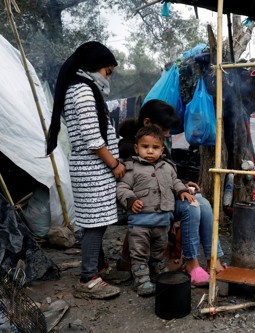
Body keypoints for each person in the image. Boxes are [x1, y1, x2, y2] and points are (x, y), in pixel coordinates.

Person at [117, 99, 225, 286]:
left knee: (204, 204)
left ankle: (213, 259)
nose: (168, 134)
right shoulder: (131, 150)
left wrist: (182, 186)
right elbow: (141, 183)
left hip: (164, 201)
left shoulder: (157, 146)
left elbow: (165, 176)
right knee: (192, 207)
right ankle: (191, 263)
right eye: (165, 128)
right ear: (147, 123)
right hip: (148, 208)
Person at [46, 41, 124, 299]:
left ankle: (99, 267)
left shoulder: (82, 88)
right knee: (95, 226)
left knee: (96, 221)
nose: (107, 77)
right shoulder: (82, 91)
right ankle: (88, 278)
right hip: (94, 169)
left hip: (92, 170)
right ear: (93, 66)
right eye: (107, 71)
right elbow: (93, 139)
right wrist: (115, 165)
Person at [117, 125, 193, 296]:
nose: (150, 151)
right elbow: (122, 187)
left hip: (162, 220)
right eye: (145, 147)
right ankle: (141, 278)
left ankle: (157, 267)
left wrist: (182, 191)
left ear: (162, 149)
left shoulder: (168, 167)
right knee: (139, 251)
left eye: (155, 147)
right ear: (137, 148)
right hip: (140, 222)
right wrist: (130, 200)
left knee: (159, 248)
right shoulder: (131, 167)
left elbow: (176, 182)